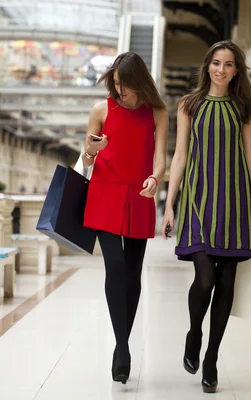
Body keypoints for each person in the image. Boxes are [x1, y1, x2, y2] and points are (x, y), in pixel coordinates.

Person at [161, 40, 251, 394]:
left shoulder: (243, 108)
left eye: (228, 65)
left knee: (227, 285)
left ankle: (211, 358)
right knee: (206, 279)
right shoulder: (189, 105)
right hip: (198, 201)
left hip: (236, 204)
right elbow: (180, 156)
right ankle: (195, 333)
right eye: (215, 63)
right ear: (206, 66)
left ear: (236, 71)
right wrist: (169, 205)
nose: (220, 70)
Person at [82, 52, 168, 384]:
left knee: (132, 273)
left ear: (139, 82)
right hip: (105, 193)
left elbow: (159, 159)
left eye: (126, 86)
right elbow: (86, 161)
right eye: (116, 85)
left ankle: (122, 343)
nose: (121, 92)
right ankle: (122, 347)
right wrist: (93, 148)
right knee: (115, 266)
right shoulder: (101, 110)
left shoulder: (157, 112)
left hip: (139, 194)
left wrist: (154, 179)